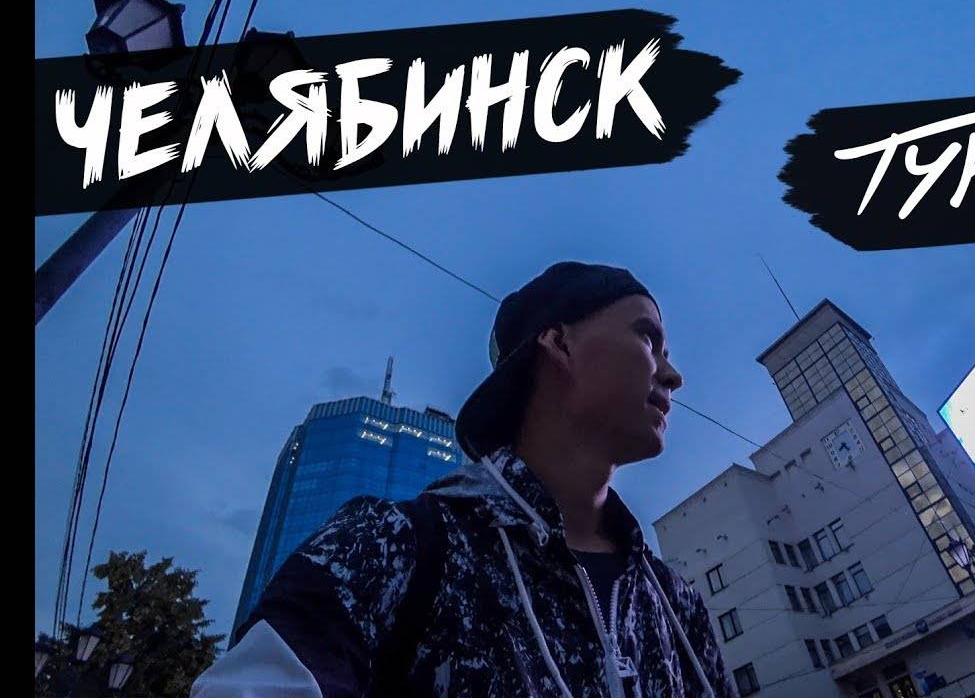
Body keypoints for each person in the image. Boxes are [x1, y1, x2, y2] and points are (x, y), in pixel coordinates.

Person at [191, 262, 737, 697]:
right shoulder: (392, 545)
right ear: (559, 343)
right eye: (648, 339)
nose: (673, 375)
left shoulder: (677, 605)